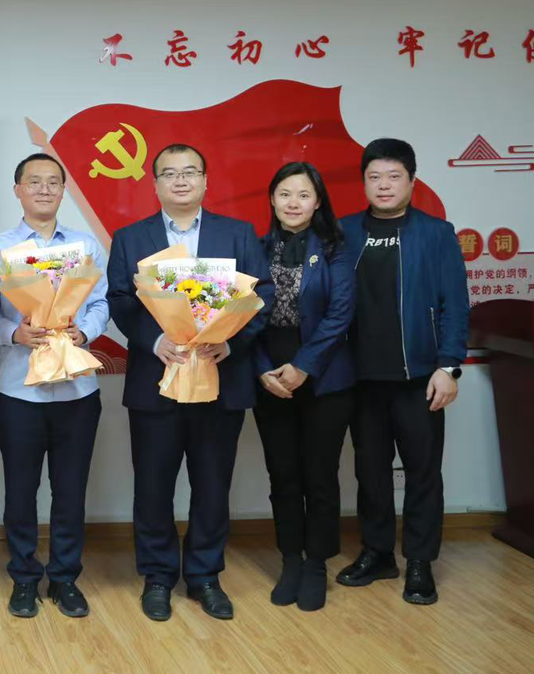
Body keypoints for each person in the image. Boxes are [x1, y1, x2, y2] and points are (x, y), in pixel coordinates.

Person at [105, 143, 271, 622]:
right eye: (170, 173)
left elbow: (262, 296)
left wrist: (231, 343)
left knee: (213, 484)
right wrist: (154, 340)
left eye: (190, 172)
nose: (181, 180)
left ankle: (204, 576)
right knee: (153, 486)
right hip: (156, 379)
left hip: (220, 378)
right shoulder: (131, 238)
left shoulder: (238, 234)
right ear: (155, 183)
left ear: (205, 181)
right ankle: (158, 577)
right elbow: (121, 301)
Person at [0, 153, 109, 619]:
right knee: (20, 490)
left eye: (54, 182)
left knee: (70, 490)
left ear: (63, 190)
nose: (44, 189)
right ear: (18, 190)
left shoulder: (86, 246)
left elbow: (101, 303)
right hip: (19, 391)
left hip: (77, 390)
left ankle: (66, 578)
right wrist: (12, 333)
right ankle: (24, 578)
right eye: (34, 182)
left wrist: (84, 333)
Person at [337, 138, 468, 606]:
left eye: (394, 177)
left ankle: (419, 561)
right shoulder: (345, 231)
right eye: (375, 177)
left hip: (420, 377)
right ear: (364, 183)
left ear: (411, 181)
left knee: (422, 472)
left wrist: (449, 367)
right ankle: (377, 553)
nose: (384, 185)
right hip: (361, 377)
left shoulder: (435, 233)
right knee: (370, 472)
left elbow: (455, 304)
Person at [252, 162, 356, 611]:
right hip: (269, 376)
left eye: (303, 195)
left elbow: (341, 314)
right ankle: (290, 559)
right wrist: (262, 369)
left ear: (318, 202)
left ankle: (316, 563)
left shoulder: (336, 248)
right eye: (285, 194)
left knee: (320, 474)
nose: (293, 203)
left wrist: (303, 367)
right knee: (283, 474)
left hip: (325, 375)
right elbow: (239, 315)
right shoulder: (255, 249)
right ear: (272, 199)